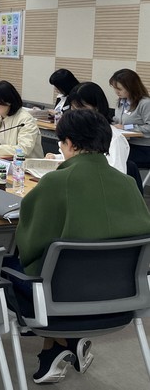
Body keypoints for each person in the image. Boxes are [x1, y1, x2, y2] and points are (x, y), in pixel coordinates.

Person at [12, 108, 150, 383]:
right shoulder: (128, 184)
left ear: (70, 144)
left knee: (10, 270)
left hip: (63, 297)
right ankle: (59, 346)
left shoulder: (55, 182)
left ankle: (63, 341)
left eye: (61, 143)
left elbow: (29, 245)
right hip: (122, 296)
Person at [45, 82, 129, 174]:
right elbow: (75, 157)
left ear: (97, 108)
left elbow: (117, 174)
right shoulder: (76, 131)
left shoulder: (114, 138)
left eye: (81, 108)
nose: (77, 113)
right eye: (73, 108)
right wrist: (55, 158)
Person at [0, 80, 43, 158]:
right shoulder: (0, 116)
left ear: (8, 102)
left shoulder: (26, 120)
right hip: (6, 162)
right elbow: (3, 144)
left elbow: (23, 149)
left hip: (27, 163)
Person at [110, 68, 150, 167]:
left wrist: (126, 127)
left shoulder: (145, 103)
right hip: (125, 143)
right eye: (115, 88)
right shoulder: (122, 102)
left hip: (142, 147)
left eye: (119, 89)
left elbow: (148, 127)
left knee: (116, 159)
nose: (116, 92)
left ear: (131, 87)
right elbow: (118, 121)